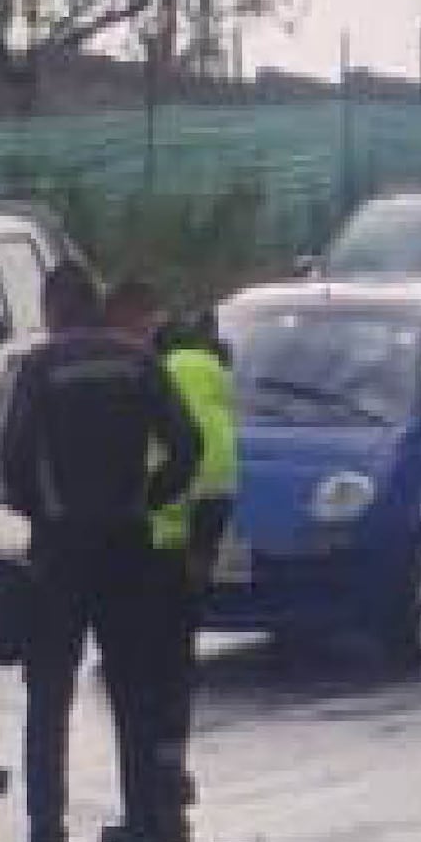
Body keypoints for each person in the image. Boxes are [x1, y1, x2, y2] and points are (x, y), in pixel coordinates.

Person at [0, 261, 204, 842]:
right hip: (129, 549)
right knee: (134, 692)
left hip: (60, 555)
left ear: (56, 309)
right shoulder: (138, 362)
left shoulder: (43, 366)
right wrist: (148, 497)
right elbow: (186, 444)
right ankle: (143, 830)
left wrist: (39, 512)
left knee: (48, 697)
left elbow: (13, 461)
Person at [143, 292, 243, 814]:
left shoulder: (158, 369)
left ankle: (152, 781)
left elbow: (161, 451)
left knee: (149, 662)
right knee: (181, 656)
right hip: (213, 508)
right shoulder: (218, 375)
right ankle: (173, 764)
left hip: (161, 530)